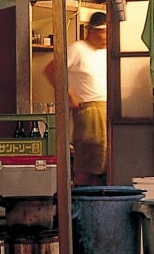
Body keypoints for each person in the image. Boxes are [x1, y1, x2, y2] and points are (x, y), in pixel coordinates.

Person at [44, 11, 109, 186]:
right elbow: (51, 70)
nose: (107, 37)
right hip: (89, 109)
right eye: (104, 32)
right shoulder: (78, 48)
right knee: (88, 161)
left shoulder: (105, 52)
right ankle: (81, 201)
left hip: (107, 108)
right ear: (93, 31)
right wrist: (70, 96)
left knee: (103, 163)